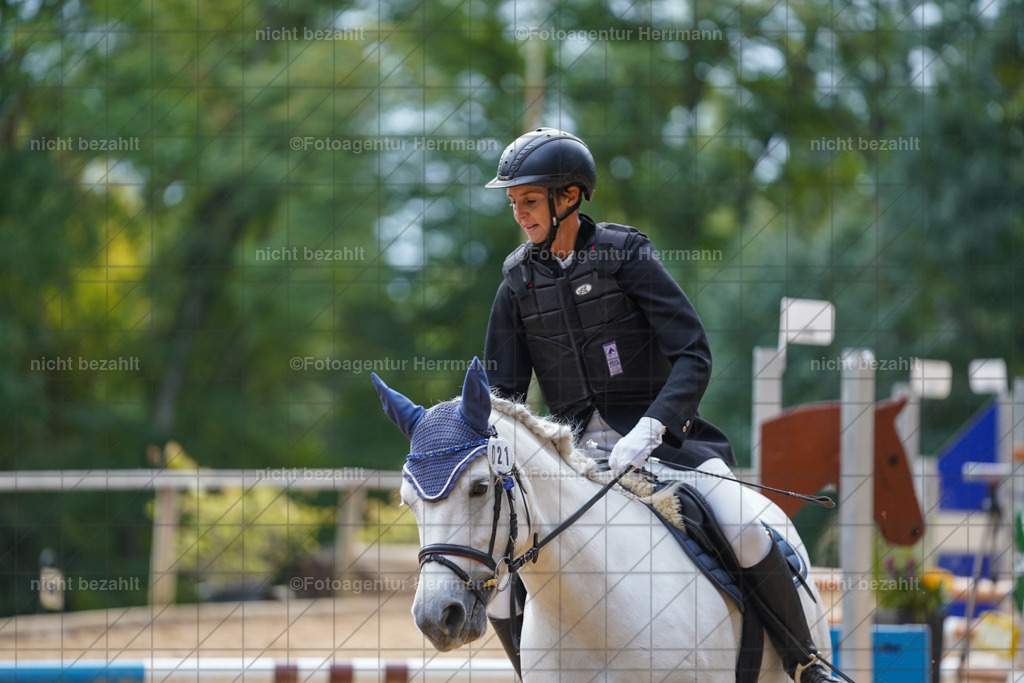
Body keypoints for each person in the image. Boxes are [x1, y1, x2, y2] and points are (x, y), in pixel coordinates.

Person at [482, 127, 837, 683]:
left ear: (568, 197)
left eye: (529, 200)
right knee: (501, 589)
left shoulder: (626, 256)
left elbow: (694, 354)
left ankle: (803, 662)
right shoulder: (515, 284)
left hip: (665, 444)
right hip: (573, 463)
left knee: (744, 528)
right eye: (514, 204)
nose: (520, 214)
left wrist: (651, 429)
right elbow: (503, 397)